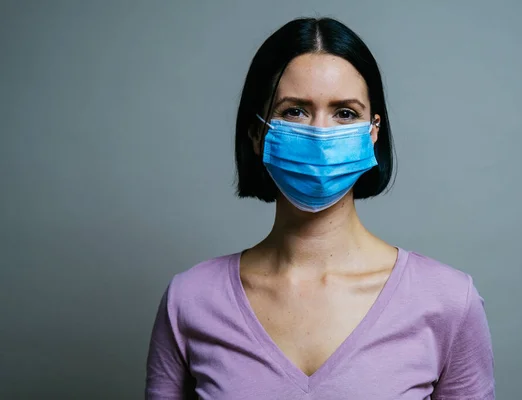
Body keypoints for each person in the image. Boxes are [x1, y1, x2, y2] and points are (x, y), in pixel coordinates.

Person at [145, 17, 495, 400]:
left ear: (373, 132)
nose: (320, 134)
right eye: (295, 111)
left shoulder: (447, 301)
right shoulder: (191, 300)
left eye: (345, 113)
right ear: (257, 133)